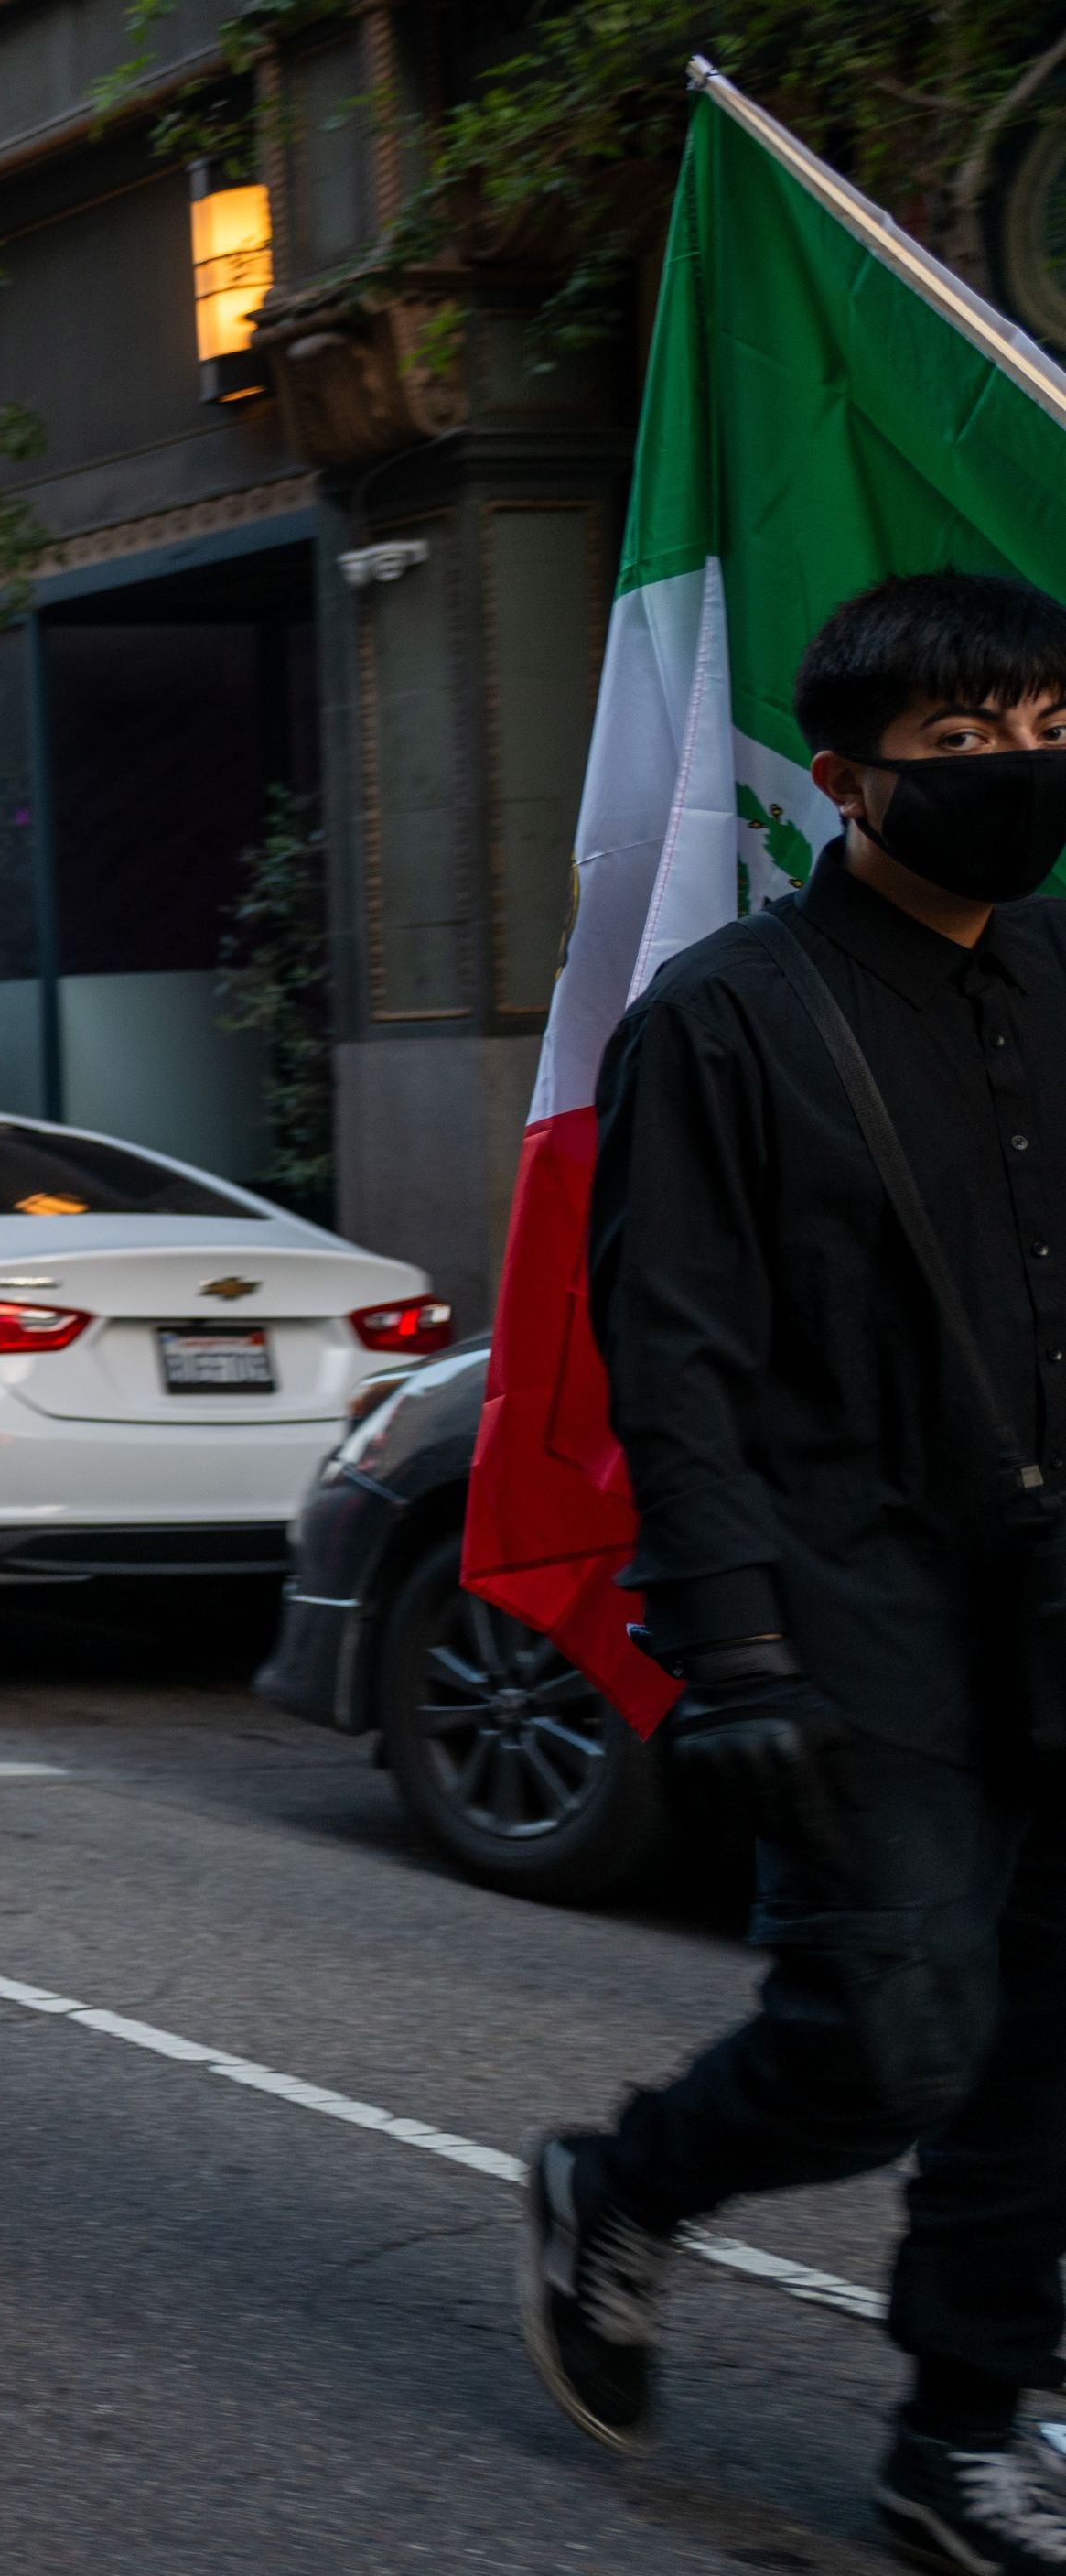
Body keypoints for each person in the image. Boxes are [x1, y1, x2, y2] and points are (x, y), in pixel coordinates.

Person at [526, 571, 1066, 2572]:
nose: (1015, 773)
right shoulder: (724, 1020)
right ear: (840, 781)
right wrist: (732, 1647)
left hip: (1048, 1595)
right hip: (847, 1607)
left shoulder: (1061, 976)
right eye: (959, 748)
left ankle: (957, 2432)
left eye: (1039, 730)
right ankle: (622, 2183)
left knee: (1039, 2052)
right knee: (895, 2030)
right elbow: (669, 1358)